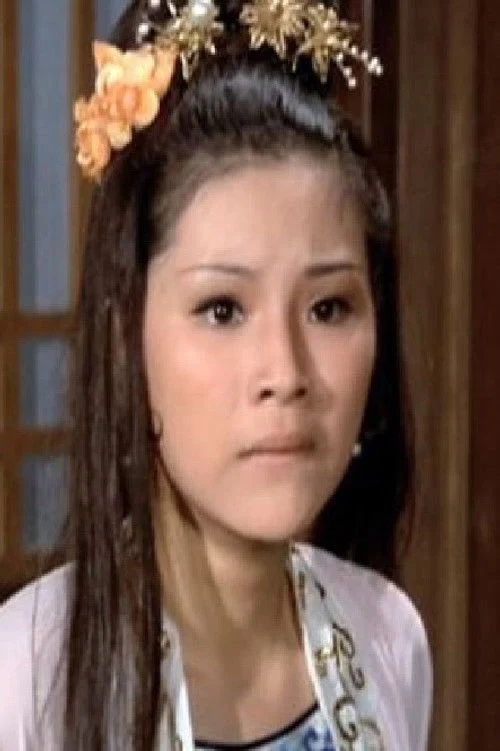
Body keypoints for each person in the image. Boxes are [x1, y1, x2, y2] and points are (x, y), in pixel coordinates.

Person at [0, 1, 432, 749]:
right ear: (127, 339)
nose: (285, 373)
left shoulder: (388, 637)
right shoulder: (26, 680)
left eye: (328, 307)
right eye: (223, 309)